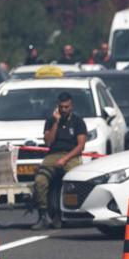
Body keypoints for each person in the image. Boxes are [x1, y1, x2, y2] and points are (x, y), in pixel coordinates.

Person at [32, 91, 87, 230]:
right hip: (53, 155)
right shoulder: (51, 121)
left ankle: (72, 214)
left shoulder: (78, 121)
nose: (64, 110)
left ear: (71, 106)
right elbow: (48, 142)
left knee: (74, 181)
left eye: (66, 107)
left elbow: (80, 146)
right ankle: (43, 216)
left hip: (71, 155)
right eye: (61, 107)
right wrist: (56, 122)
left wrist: (65, 159)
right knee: (40, 180)